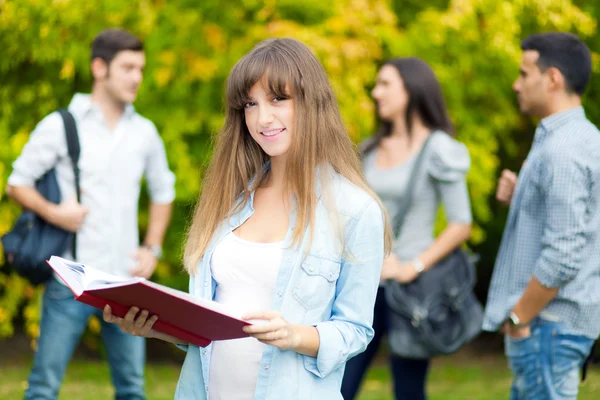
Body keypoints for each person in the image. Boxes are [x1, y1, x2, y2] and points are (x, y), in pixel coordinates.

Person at [102, 37, 391, 399]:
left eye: (278, 99)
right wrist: (157, 326)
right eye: (250, 104)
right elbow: (210, 328)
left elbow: (355, 330)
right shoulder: (232, 198)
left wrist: (294, 334)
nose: (262, 118)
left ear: (312, 102)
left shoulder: (356, 210)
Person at [6, 28, 176, 400]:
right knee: (42, 390)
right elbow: (17, 183)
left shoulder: (144, 132)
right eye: (128, 67)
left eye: (142, 69)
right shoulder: (62, 124)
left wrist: (153, 248)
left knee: (132, 390)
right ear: (100, 68)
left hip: (125, 283)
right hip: (72, 278)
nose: (137, 77)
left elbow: (164, 192)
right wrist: (55, 212)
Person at [341, 57, 473, 400]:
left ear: (411, 88)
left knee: (409, 390)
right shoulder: (369, 148)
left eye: (385, 84)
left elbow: (461, 224)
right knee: (339, 385)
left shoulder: (439, 149)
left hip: (411, 291)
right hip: (364, 285)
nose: (375, 92)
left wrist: (412, 266)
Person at [483, 32, 600, 399]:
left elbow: (564, 251)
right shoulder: (575, 139)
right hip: (551, 327)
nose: (516, 85)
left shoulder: (563, 150)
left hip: (547, 327)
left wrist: (519, 317)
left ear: (552, 79)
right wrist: (522, 197)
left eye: (524, 73)